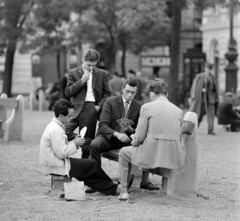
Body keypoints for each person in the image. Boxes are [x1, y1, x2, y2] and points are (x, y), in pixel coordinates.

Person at [118, 79, 185, 200]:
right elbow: (179, 136)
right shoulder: (179, 111)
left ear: (152, 93)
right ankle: (145, 181)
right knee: (148, 145)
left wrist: (134, 141)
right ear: (166, 94)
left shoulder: (147, 107)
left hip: (152, 155)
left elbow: (139, 137)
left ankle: (123, 191)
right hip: (172, 155)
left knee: (123, 152)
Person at [90, 77, 159, 192]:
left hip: (127, 141)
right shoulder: (111, 101)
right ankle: (96, 181)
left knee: (144, 143)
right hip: (109, 137)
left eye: (133, 92)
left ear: (136, 92)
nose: (129, 95)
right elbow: (103, 125)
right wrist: (116, 134)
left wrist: (131, 130)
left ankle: (141, 181)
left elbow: (139, 130)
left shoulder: (139, 107)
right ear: (122, 89)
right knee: (94, 144)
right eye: (127, 92)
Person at [39, 99, 120, 196]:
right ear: (60, 116)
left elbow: (60, 149)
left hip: (55, 163)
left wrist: (74, 142)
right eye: (69, 116)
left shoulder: (54, 126)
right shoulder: (56, 130)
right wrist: (75, 143)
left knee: (88, 173)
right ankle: (114, 186)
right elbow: (62, 153)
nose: (71, 118)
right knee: (92, 164)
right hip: (57, 165)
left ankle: (113, 188)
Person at [65, 49, 111, 158]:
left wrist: (99, 106)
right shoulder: (73, 72)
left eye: (94, 65)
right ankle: (91, 144)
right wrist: (81, 81)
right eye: (89, 65)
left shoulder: (101, 73)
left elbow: (107, 93)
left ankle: (85, 167)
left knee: (85, 152)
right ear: (82, 60)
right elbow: (68, 92)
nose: (91, 68)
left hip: (92, 108)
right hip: (75, 108)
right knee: (64, 132)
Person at [189, 62, 218, 135]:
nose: (208, 70)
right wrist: (198, 92)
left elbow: (215, 89)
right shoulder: (199, 76)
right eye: (207, 68)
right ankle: (194, 129)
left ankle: (210, 130)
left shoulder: (212, 78)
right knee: (199, 115)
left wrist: (216, 98)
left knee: (211, 116)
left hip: (211, 99)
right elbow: (194, 87)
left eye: (210, 69)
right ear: (204, 69)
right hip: (201, 99)